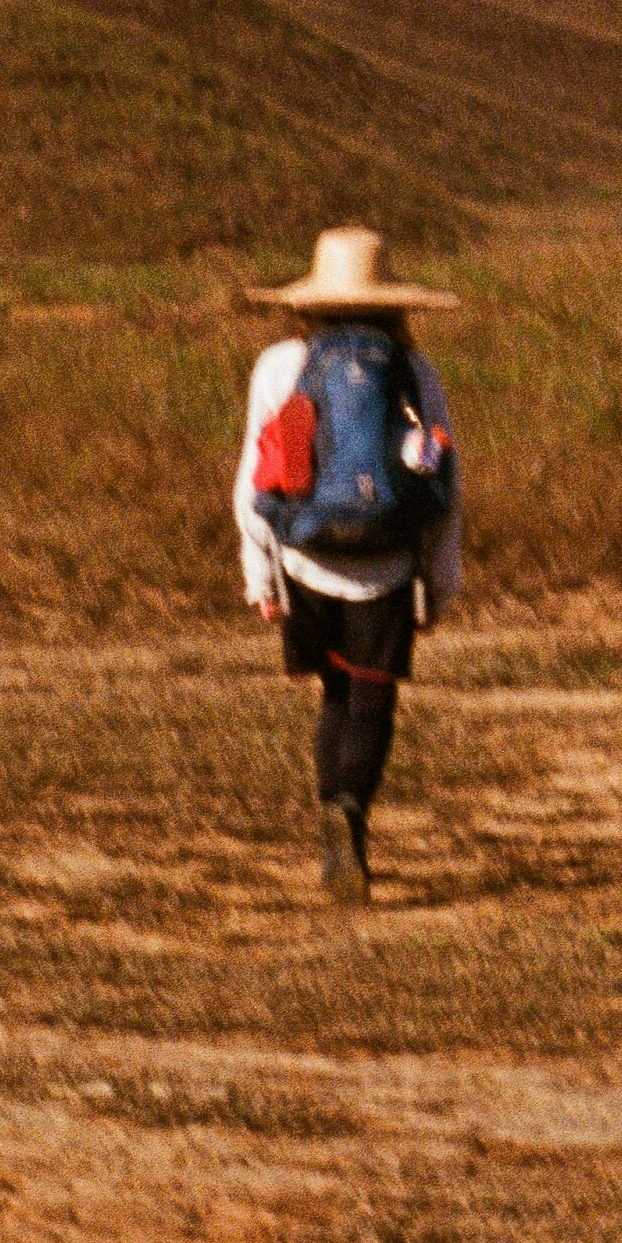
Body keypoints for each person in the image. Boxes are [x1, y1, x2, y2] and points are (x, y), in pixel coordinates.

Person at [232, 225, 463, 906]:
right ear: (395, 302)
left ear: (309, 301)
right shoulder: (414, 373)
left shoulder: (279, 365)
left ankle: (332, 804)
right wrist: (439, 577)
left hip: (304, 555)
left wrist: (260, 570)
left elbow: (257, 474)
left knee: (335, 692)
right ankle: (351, 809)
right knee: (372, 697)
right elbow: (443, 474)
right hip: (387, 560)